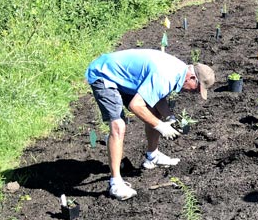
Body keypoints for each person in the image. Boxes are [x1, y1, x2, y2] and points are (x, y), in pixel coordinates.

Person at [86, 49, 215, 200]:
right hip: (104, 74)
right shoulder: (167, 76)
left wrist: (170, 117)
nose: (193, 93)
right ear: (192, 77)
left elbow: (157, 97)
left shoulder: (178, 71)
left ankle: (152, 156)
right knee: (118, 126)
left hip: (127, 78)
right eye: (196, 89)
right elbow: (136, 106)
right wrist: (161, 126)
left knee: (154, 110)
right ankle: (115, 183)